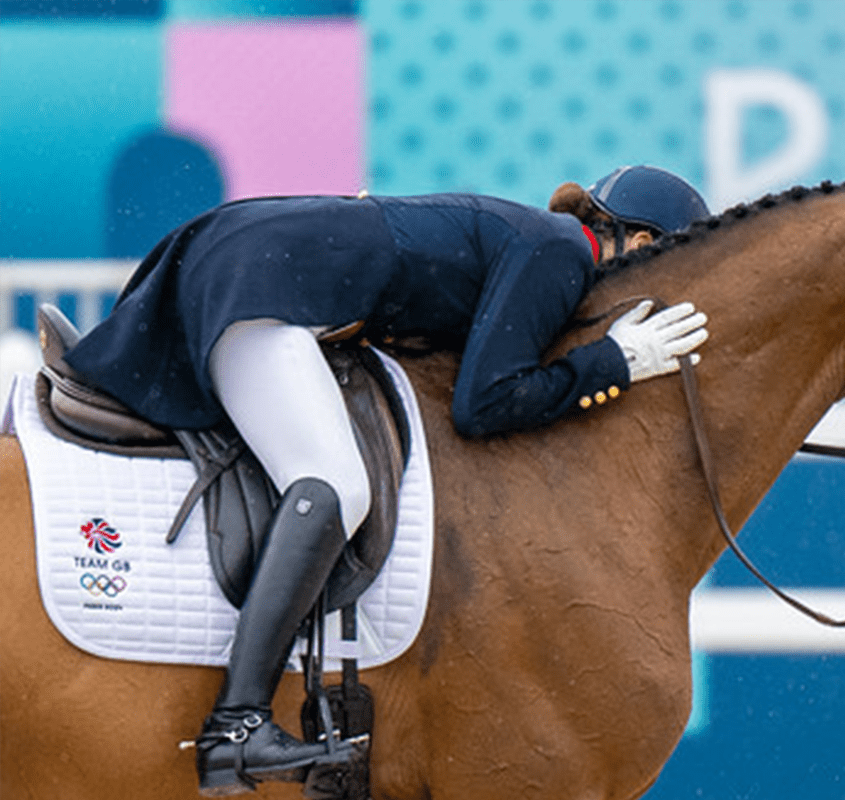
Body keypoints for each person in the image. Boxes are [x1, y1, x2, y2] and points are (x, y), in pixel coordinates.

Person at [62, 165, 711, 795]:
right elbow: (484, 403)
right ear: (644, 244)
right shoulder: (561, 252)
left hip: (242, 259)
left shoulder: (538, 237)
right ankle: (237, 725)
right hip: (260, 285)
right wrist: (616, 362)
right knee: (336, 484)